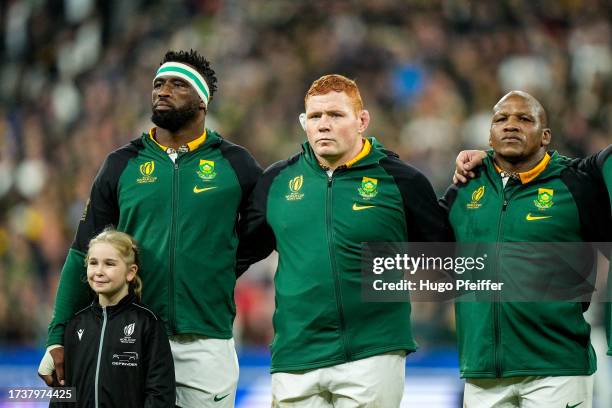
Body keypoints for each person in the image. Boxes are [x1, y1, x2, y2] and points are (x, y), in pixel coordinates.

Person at [38, 49, 261, 407]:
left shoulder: (236, 164)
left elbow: (263, 231)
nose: (162, 91)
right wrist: (57, 335)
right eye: (158, 83)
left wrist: (221, 264)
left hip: (203, 343)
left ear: (202, 102)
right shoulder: (121, 164)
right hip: (128, 337)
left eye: (177, 84)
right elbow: (82, 251)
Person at [238, 74, 453, 407]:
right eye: (315, 116)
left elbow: (447, 253)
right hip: (296, 354)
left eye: (336, 115)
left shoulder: (401, 181)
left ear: (362, 120)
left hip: (372, 354)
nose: (324, 125)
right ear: (303, 123)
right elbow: (237, 254)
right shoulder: (276, 183)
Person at [440, 91, 611, 407]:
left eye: (524, 119)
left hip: (557, 371)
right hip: (483, 373)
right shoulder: (465, 187)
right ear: (490, 136)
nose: (511, 125)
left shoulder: (576, 183)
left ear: (545, 135)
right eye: (501, 119)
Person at [48, 229, 175, 408]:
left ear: (130, 272)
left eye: (109, 264)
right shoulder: (76, 324)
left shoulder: (147, 323)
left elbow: (160, 392)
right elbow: (63, 392)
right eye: (93, 263)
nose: (99, 271)